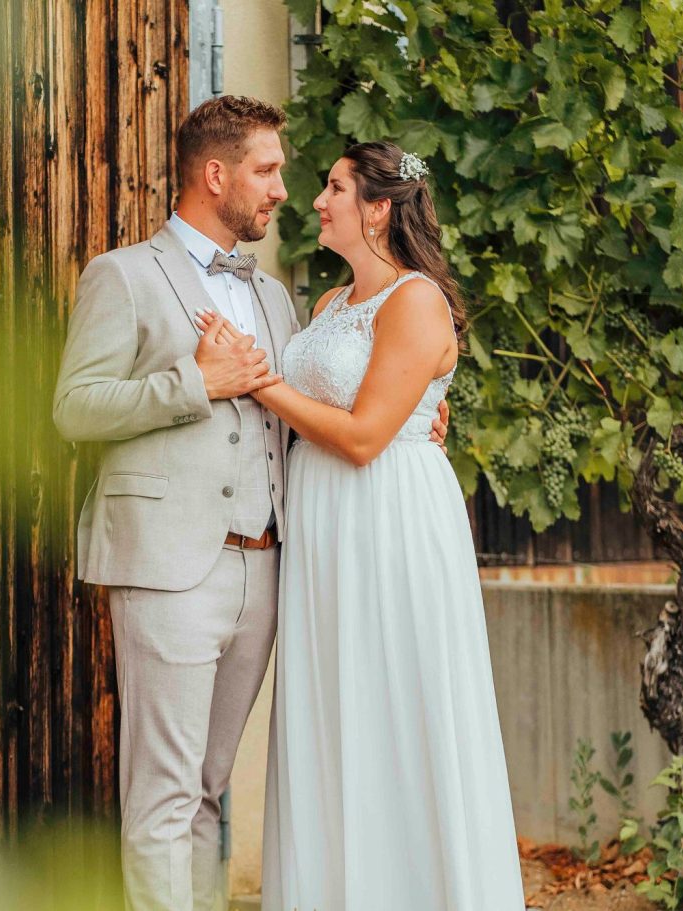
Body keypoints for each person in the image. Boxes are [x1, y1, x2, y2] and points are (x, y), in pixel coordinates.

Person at [53, 95, 448, 911]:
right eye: (267, 171)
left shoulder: (276, 300)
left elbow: (315, 416)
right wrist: (194, 381)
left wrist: (415, 421)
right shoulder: (123, 274)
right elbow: (75, 407)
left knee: (207, 786)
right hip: (168, 564)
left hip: (268, 569)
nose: (281, 189)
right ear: (215, 173)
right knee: (162, 793)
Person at [195, 141, 524, 910]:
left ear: (377, 207)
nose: (315, 200)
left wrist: (256, 379)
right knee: (333, 718)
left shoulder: (416, 299)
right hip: (325, 531)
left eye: (334, 188)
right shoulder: (327, 304)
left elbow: (364, 434)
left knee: (397, 709)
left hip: (390, 524)